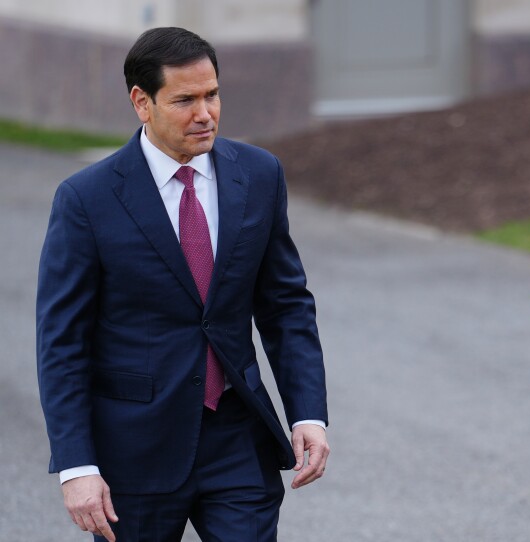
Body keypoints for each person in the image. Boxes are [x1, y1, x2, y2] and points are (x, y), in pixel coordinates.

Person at [36, 27, 329, 541]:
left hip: (238, 437)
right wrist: (77, 465)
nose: (205, 113)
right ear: (141, 102)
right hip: (135, 453)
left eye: (212, 94)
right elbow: (62, 342)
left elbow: (285, 305)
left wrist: (309, 413)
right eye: (185, 100)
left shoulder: (259, 175)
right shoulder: (87, 199)